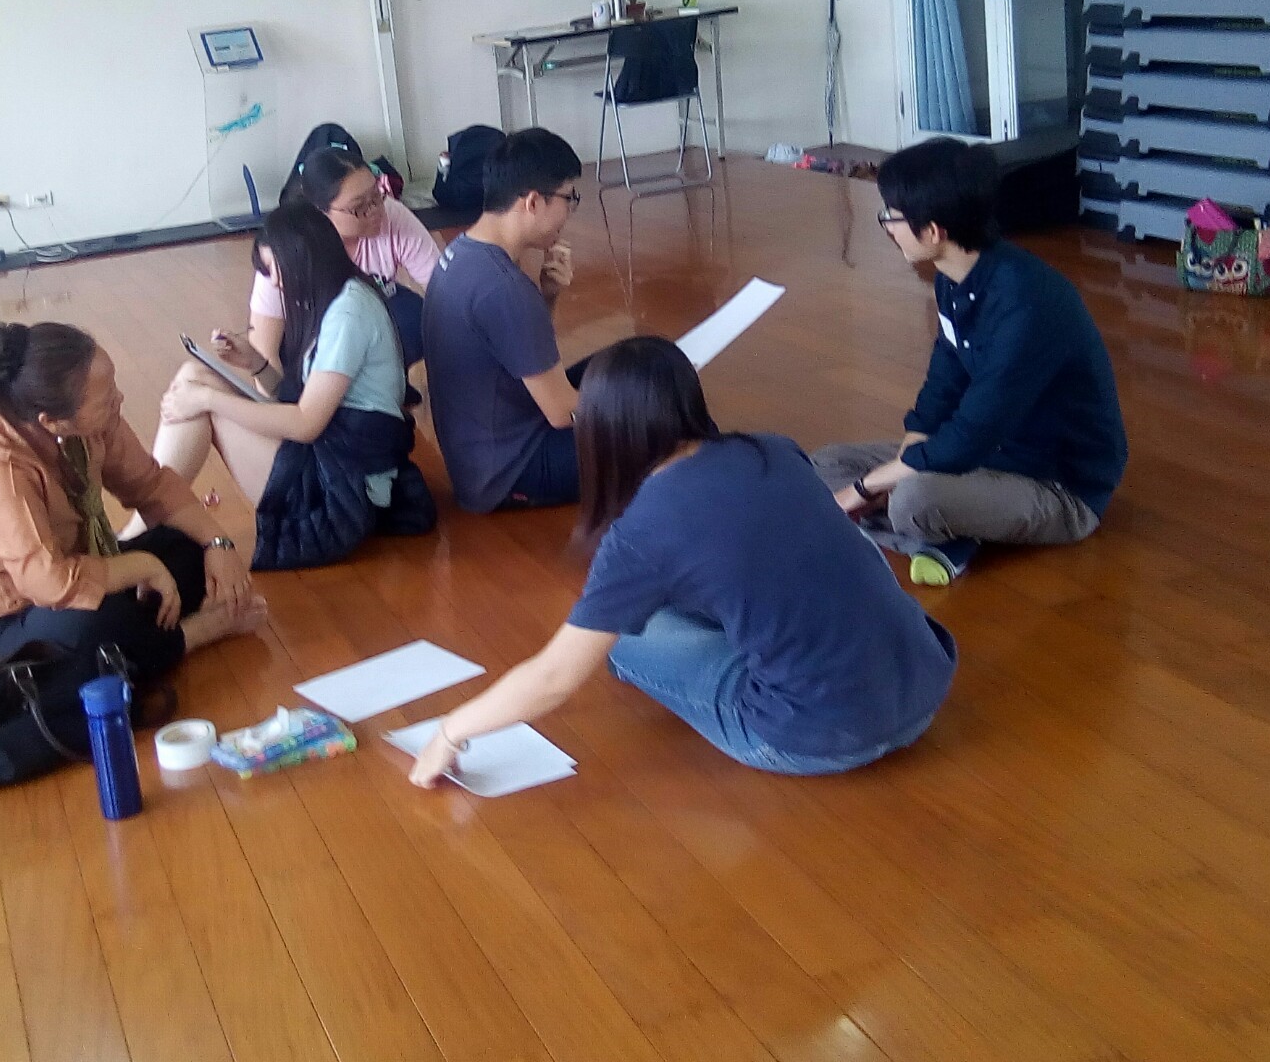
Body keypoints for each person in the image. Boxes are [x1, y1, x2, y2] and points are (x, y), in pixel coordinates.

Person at [407, 336, 956, 785]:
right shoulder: (773, 448)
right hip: (926, 690)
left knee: (625, 637)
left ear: (601, 426)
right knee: (829, 550)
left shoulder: (642, 529)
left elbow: (556, 676)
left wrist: (451, 731)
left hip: (815, 737)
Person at [812, 136, 1127, 587]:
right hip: (986, 458)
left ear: (933, 231)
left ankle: (941, 534)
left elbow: (973, 431)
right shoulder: (952, 279)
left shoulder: (1025, 304)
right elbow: (942, 389)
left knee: (911, 500)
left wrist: (867, 487)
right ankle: (948, 534)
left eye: (891, 217)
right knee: (826, 465)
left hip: (1058, 487)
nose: (887, 227)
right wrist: (897, 463)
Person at [0, 320, 264, 696]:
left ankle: (138, 644)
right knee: (93, 628)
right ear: (53, 422)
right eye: (106, 399)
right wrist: (142, 566)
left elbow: (151, 486)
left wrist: (218, 543)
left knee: (184, 547)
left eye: (113, 387)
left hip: (74, 573)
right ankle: (192, 634)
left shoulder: (89, 422)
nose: (119, 398)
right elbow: (50, 583)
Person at [156, 201, 435, 570]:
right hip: (331, 464)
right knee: (194, 375)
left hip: (342, 495)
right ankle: (147, 519)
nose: (274, 282)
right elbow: (307, 405)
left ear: (301, 256)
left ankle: (144, 526)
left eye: (274, 269)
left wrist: (208, 400)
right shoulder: (336, 299)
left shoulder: (349, 312)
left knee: (201, 398)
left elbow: (306, 424)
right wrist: (255, 363)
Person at [422, 127, 584, 511]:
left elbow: (515, 352)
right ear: (533, 202)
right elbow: (562, 413)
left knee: (633, 364)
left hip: (483, 454)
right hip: (512, 471)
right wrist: (639, 411)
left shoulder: (463, 253)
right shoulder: (502, 286)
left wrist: (547, 296)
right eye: (569, 198)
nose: (570, 212)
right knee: (657, 427)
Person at [248, 145, 440, 373]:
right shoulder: (287, 251)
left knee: (412, 314)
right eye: (359, 207)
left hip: (362, 328)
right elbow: (264, 351)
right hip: (310, 346)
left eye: (377, 194)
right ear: (319, 212)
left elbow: (443, 291)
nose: (375, 209)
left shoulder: (390, 214)